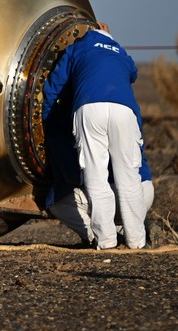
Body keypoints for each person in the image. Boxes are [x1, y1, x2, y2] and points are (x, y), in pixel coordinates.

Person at [41, 23, 148, 250]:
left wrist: (49, 120)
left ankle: (106, 239)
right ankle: (137, 241)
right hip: (123, 110)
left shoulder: (77, 48)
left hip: (89, 108)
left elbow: (53, 86)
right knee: (128, 176)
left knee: (95, 175)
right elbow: (133, 73)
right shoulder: (119, 50)